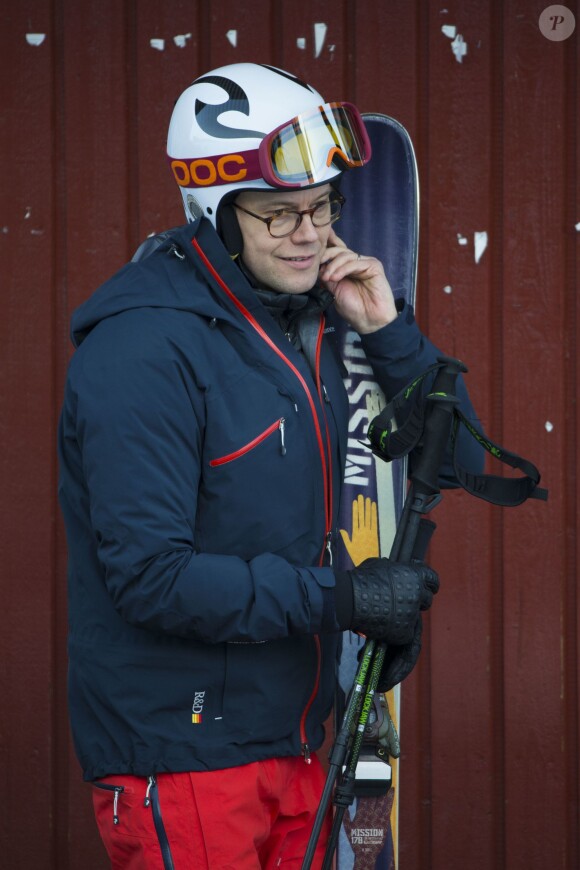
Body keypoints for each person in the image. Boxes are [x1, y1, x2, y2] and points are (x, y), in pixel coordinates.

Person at [58, 62, 481, 869]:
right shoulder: (143, 348)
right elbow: (149, 577)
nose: (310, 233)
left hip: (290, 744)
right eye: (280, 214)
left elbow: (460, 460)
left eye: (323, 207)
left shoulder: (306, 323)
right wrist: (347, 597)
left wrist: (390, 334)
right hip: (181, 761)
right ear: (213, 214)